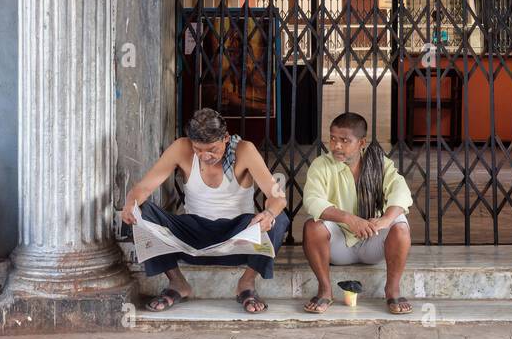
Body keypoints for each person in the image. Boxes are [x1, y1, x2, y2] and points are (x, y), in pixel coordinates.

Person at [121, 108, 289, 313]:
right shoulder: (181, 148)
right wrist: (130, 203)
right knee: (142, 212)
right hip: (193, 235)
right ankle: (177, 283)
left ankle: (246, 284)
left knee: (279, 220)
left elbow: (277, 197)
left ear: (226, 138)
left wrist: (269, 214)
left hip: (238, 237)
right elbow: (144, 188)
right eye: (198, 149)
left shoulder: (244, 150)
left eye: (212, 149)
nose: (205, 155)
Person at [301, 112, 413, 315]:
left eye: (345, 140)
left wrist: (384, 221)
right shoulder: (321, 165)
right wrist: (349, 219)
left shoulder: (379, 163)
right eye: (333, 138)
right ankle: (325, 290)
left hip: (373, 242)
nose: (336, 146)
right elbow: (312, 200)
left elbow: (401, 191)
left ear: (362, 142)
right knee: (312, 225)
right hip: (339, 244)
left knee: (401, 224)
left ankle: (392, 289)